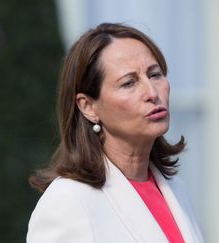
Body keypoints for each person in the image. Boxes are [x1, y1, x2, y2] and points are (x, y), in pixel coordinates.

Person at [26, 23, 204, 243]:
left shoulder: (177, 189)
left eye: (155, 74)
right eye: (129, 83)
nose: (152, 92)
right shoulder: (68, 201)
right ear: (88, 107)